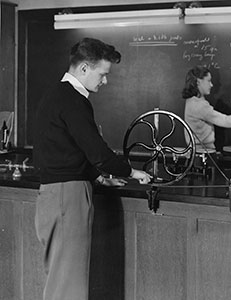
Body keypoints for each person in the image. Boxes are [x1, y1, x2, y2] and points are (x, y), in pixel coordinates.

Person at [33, 37, 151, 300]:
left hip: (54, 196)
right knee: (69, 288)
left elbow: (66, 150)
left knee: (60, 281)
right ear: (84, 68)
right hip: (68, 198)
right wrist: (131, 172)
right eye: (103, 74)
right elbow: (96, 150)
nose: (105, 81)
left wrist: (98, 178)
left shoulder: (56, 95)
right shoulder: (73, 99)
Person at [182, 65, 231, 152]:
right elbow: (226, 121)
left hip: (195, 152)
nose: (211, 85)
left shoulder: (191, 101)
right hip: (203, 154)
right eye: (209, 81)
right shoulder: (199, 105)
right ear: (198, 82)